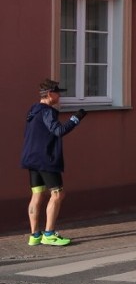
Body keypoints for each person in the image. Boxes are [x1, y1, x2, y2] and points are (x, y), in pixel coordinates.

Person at [20, 79, 87, 246]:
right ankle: (49, 234)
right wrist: (76, 118)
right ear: (50, 94)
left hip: (31, 159)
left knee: (37, 194)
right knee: (57, 194)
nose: (60, 97)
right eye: (58, 93)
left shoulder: (33, 110)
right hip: (45, 159)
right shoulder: (47, 111)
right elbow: (58, 131)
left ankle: (34, 235)